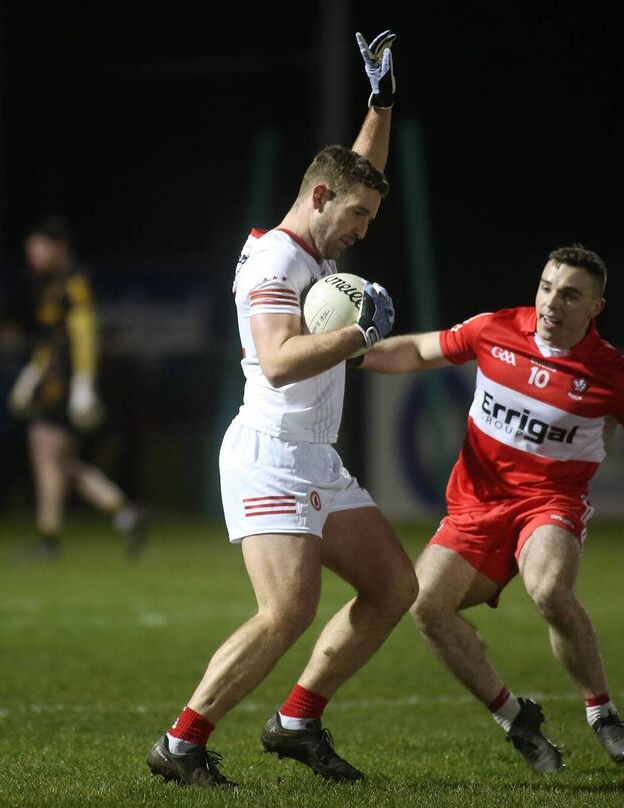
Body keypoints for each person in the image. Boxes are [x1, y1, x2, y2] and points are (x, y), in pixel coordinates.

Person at [146, 30, 415, 787]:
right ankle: (182, 743)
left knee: (394, 585)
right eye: (359, 215)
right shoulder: (276, 263)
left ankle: (296, 722)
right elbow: (277, 358)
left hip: (315, 456)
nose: (363, 231)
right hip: (270, 450)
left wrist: (381, 102)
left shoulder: (318, 243)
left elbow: (362, 169)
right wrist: (362, 334)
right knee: (287, 611)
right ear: (320, 200)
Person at [362, 245, 624, 773]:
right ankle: (515, 719)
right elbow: (419, 353)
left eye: (569, 295)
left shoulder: (611, 374)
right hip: (473, 508)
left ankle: (603, 714)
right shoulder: (495, 330)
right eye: (545, 287)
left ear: (595, 308)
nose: (551, 303)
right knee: (425, 605)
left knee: (549, 589)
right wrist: (350, 354)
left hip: (549, 505)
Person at [8, 215, 144, 559]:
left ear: (59, 248)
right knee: (64, 462)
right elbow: (51, 341)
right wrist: (31, 376)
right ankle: (123, 512)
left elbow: (83, 333)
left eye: (39, 249)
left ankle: (49, 537)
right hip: (58, 381)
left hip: (65, 384)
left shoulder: (73, 282)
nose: (33, 257)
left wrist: (83, 383)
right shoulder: (50, 285)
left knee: (44, 449)